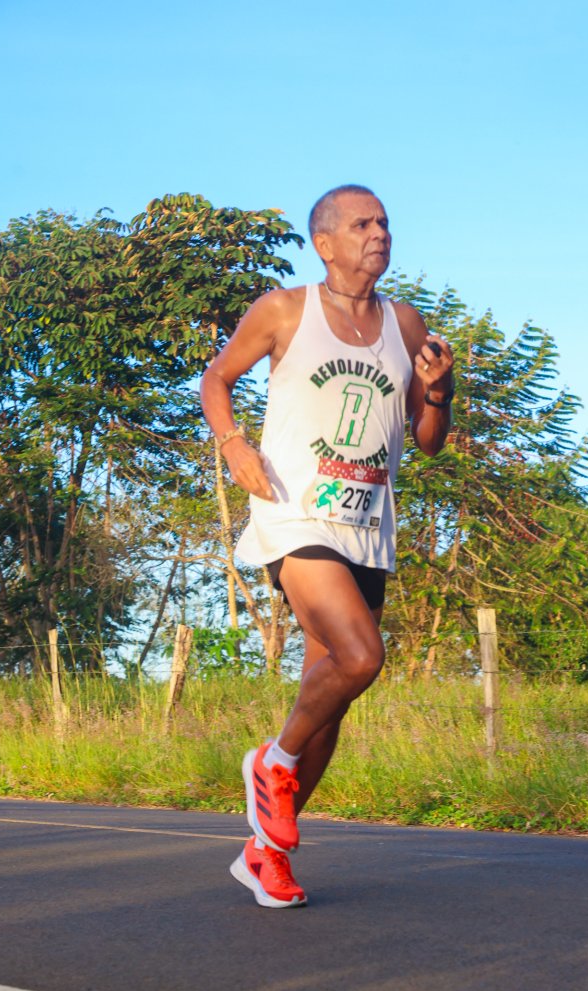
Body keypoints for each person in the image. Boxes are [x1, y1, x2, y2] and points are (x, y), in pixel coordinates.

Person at [200, 185, 454, 908]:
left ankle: (266, 854)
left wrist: (439, 390)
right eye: (362, 224)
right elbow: (217, 378)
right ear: (325, 243)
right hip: (294, 515)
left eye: (385, 223)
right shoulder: (285, 309)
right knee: (362, 655)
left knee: (331, 700)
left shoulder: (405, 323)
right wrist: (232, 443)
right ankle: (271, 761)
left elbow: (428, 441)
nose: (380, 233)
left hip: (366, 527)